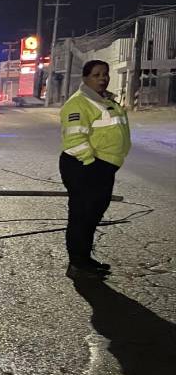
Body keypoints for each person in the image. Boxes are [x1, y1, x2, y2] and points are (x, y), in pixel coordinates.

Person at [59, 59, 131, 280]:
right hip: (84, 166)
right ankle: (77, 264)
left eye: (105, 74)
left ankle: (84, 259)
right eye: (97, 75)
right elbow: (74, 140)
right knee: (81, 216)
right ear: (85, 78)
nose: (103, 78)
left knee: (92, 215)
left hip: (102, 167)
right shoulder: (78, 103)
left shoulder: (105, 101)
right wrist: (93, 166)